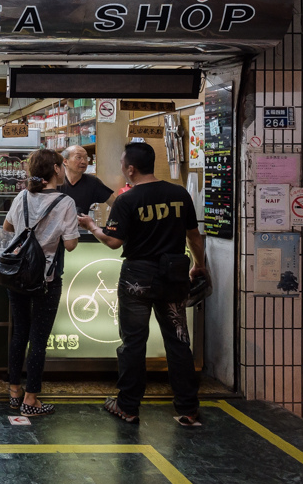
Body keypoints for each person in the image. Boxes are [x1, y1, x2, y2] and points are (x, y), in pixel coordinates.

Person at [77, 142, 208, 427]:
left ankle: (128, 407)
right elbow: (194, 237)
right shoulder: (179, 194)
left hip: (138, 276)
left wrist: (91, 227)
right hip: (174, 275)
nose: (122, 167)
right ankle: (188, 408)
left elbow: (113, 242)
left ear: (131, 168)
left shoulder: (128, 200)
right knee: (178, 341)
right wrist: (199, 264)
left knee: (134, 342)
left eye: (123, 163)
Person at [2, 149, 79, 416]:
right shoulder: (65, 202)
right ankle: (30, 399)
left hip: (18, 275)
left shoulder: (22, 195)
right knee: (38, 339)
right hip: (46, 278)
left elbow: (8, 227)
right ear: (57, 169)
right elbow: (70, 245)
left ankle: (14, 393)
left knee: (19, 334)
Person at [59, 145, 115, 214]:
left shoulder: (92, 182)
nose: (84, 162)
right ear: (65, 161)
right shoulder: (56, 181)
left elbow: (115, 204)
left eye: (86, 158)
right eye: (78, 157)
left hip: (81, 224)